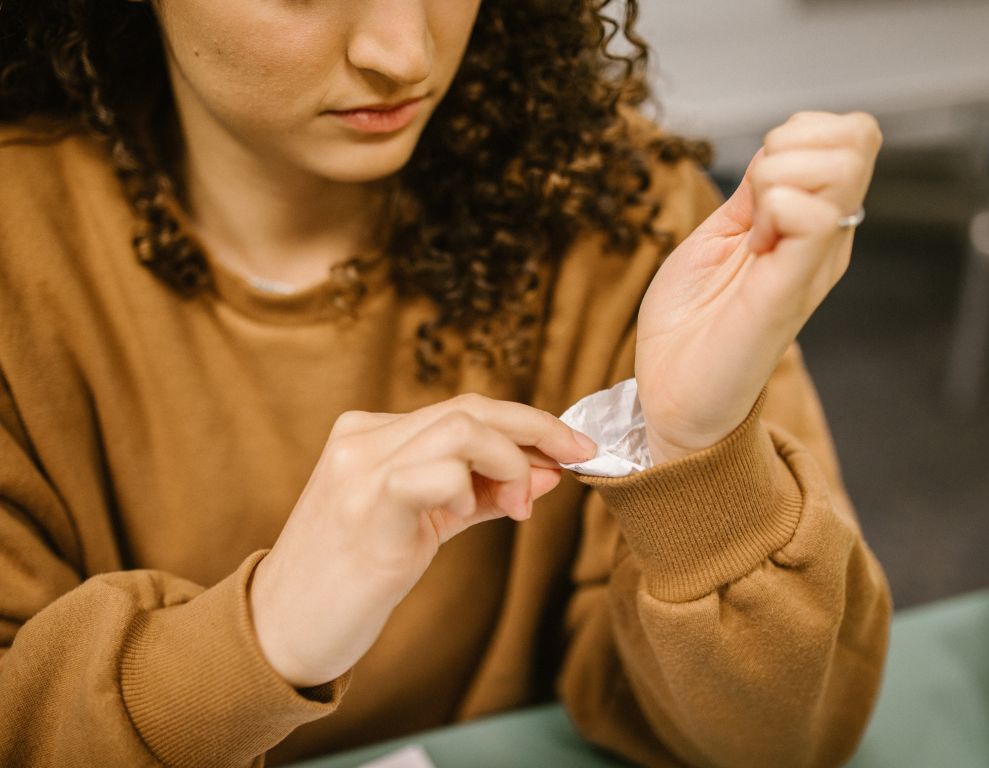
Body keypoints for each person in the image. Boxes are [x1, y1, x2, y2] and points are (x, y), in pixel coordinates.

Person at [0, 1, 891, 766]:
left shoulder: (623, 212)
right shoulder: (19, 251)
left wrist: (700, 461)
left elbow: (790, 744)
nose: (402, 54)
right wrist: (259, 637)